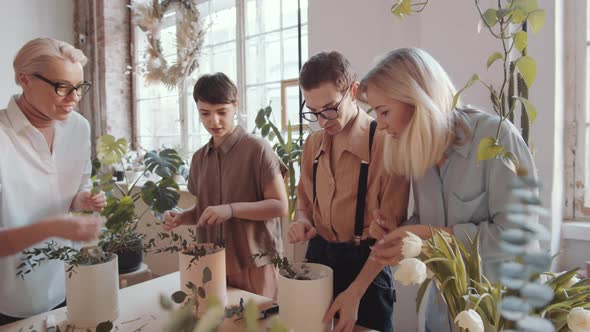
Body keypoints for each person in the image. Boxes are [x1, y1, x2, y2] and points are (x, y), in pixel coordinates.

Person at [360, 47, 536, 332]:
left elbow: (520, 238)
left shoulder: (497, 137)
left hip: (498, 315)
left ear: (417, 98)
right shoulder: (421, 150)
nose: (381, 126)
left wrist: (432, 236)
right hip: (442, 313)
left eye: (384, 112)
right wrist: (401, 233)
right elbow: (426, 221)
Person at [287, 51, 410, 332]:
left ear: (353, 91)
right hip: (318, 261)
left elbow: (389, 237)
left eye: (330, 108)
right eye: (313, 112)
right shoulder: (312, 145)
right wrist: (303, 222)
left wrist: (354, 293)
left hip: (367, 268)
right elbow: (304, 203)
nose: (322, 120)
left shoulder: (387, 143)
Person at [0, 38, 106, 325]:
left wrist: (81, 200)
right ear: (25, 80)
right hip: (9, 297)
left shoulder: (78, 128)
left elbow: (76, 187)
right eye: (62, 87)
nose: (74, 98)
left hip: (67, 279)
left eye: (79, 87)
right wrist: (52, 227)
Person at [162, 72, 288, 299]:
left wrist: (231, 209)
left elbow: (280, 206)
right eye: (205, 114)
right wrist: (182, 217)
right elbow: (206, 211)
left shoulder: (257, 149)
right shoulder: (199, 158)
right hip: (212, 263)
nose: (214, 121)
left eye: (222, 112)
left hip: (256, 264)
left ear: (235, 106)